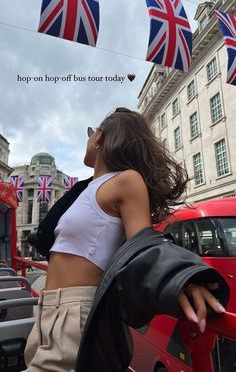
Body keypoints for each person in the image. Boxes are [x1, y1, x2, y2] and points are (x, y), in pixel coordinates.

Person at [25, 107, 229, 372]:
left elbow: (142, 241)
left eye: (90, 133)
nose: (87, 139)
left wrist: (176, 276)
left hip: (77, 314)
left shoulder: (127, 180)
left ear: (100, 137)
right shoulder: (85, 189)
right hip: (47, 308)